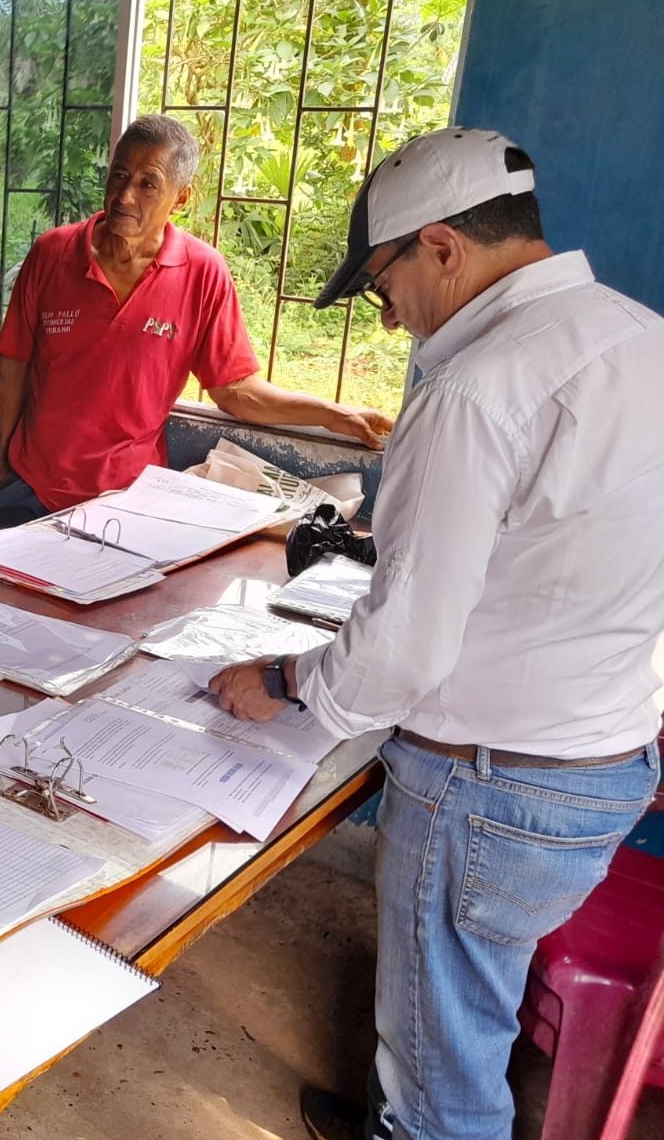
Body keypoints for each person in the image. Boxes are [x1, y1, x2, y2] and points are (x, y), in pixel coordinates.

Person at [206, 128, 664, 1140]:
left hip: (489, 788)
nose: (391, 313)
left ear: (443, 248)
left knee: (439, 1068)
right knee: (463, 1008)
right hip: (605, 757)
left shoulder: (472, 388)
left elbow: (402, 654)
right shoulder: (641, 336)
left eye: (384, 284)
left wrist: (280, 679)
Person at [0, 113, 392, 529]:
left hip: (126, 502)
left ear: (181, 197)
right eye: (119, 175)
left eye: (147, 184)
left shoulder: (202, 273)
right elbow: (15, 358)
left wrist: (331, 414)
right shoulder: (52, 253)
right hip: (30, 488)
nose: (125, 196)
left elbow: (236, 391)